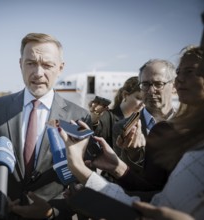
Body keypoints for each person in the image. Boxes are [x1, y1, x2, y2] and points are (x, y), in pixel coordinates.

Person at [58, 45, 204, 219]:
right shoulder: (150, 129)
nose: (180, 79)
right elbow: (154, 197)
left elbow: (158, 205)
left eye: (189, 71)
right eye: (145, 85)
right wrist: (116, 167)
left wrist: (82, 174)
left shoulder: (186, 134)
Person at [0, 32, 91, 219]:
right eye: (31, 63)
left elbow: (86, 181)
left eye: (47, 65)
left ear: (61, 68)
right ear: (20, 64)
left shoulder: (79, 116)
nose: (38, 73)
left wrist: (52, 210)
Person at [112, 59, 176, 173]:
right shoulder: (122, 128)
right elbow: (117, 177)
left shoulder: (191, 126)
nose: (151, 91)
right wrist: (133, 157)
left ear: (174, 86)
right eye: (145, 84)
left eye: (158, 84)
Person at [89, 76, 144, 149]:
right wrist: (94, 118)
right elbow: (95, 131)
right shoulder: (107, 117)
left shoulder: (141, 120)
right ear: (125, 95)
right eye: (139, 98)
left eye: (145, 99)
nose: (143, 103)